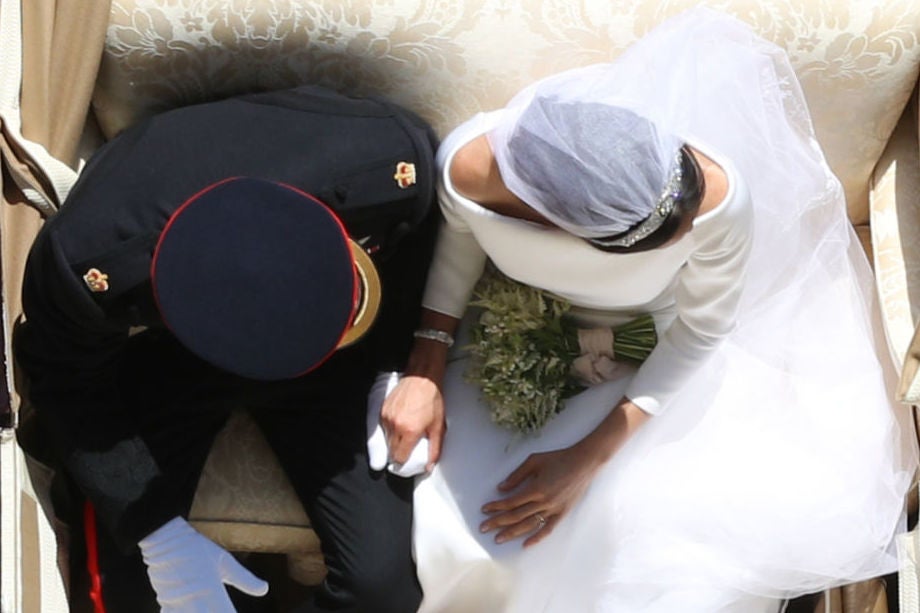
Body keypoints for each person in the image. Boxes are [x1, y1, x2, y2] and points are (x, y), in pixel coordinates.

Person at [373, 8, 916, 613]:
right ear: (563, 227)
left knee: (650, 556)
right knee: (481, 539)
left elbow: (703, 327)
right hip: (514, 327)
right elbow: (458, 251)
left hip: (658, 360)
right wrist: (424, 368)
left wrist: (588, 458)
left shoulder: (714, 194)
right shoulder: (469, 169)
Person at [14, 84, 438, 612]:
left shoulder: (386, 167)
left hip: (339, 361)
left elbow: (424, 234)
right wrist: (160, 536)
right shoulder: (87, 265)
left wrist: (411, 363)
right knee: (131, 594)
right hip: (170, 363)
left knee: (383, 592)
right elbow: (65, 380)